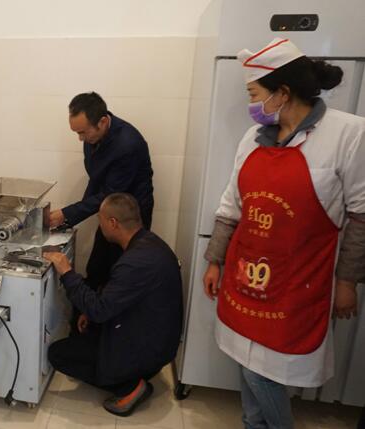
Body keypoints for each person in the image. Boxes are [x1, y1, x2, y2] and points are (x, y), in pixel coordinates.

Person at [202, 38, 365, 428]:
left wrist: (347, 281)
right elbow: (231, 206)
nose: (251, 104)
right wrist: (215, 260)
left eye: (254, 94)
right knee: (245, 363)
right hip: (246, 272)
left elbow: (361, 216)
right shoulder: (252, 138)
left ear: (283, 93)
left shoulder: (348, 134)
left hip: (298, 280)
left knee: (264, 373)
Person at [43, 193, 182, 417]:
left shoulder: (135, 262)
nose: (100, 226)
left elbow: (99, 310)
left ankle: (130, 386)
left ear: (113, 223)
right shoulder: (149, 244)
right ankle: (126, 372)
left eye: (100, 221)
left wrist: (66, 272)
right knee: (84, 327)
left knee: (58, 354)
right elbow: (117, 296)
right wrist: (92, 311)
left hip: (148, 352)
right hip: (156, 340)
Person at [49, 92, 154, 292]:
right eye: (76, 133)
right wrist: (68, 219)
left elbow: (110, 193)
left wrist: (67, 213)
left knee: (121, 274)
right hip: (110, 207)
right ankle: (90, 307)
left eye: (83, 132)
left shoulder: (128, 145)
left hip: (131, 216)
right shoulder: (93, 138)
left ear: (103, 122)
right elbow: (96, 180)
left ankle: (103, 309)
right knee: (97, 267)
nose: (80, 139)